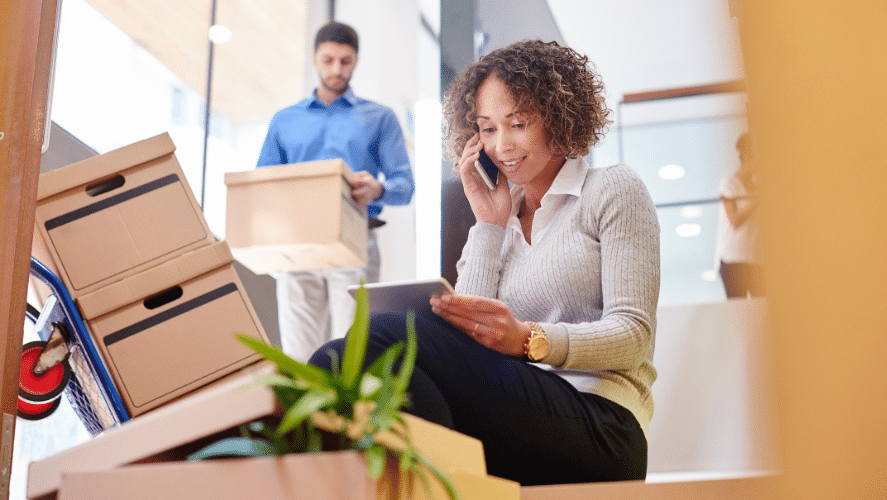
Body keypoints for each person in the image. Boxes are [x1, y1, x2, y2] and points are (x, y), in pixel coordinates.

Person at [310, 40, 660, 485]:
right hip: (521, 416)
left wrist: (529, 340)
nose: (502, 146)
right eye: (487, 129)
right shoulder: (502, 214)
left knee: (384, 336)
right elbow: (471, 334)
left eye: (518, 124)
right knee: (337, 357)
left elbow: (634, 333)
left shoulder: (611, 188)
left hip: (604, 425)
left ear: (558, 115)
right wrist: (489, 225)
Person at [257, 22, 414, 361]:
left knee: (353, 351)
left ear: (355, 61)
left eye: (345, 61)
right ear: (314, 59)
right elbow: (263, 185)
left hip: (355, 241)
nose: (336, 69)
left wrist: (378, 188)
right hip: (298, 246)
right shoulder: (284, 121)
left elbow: (405, 187)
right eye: (328, 60)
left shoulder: (380, 117)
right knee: (300, 355)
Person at [715, 133, 764, 298]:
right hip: (733, 261)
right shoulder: (728, 184)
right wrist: (757, 200)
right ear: (748, 157)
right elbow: (734, 220)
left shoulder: (759, 186)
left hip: (756, 259)